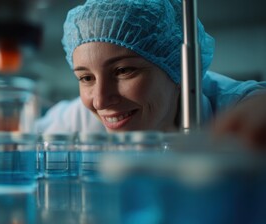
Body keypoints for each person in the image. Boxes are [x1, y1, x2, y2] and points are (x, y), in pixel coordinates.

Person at [34, 0, 266, 150]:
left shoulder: (233, 107)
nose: (100, 101)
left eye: (123, 71)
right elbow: (19, 136)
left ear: (177, 68)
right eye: (86, 78)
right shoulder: (82, 118)